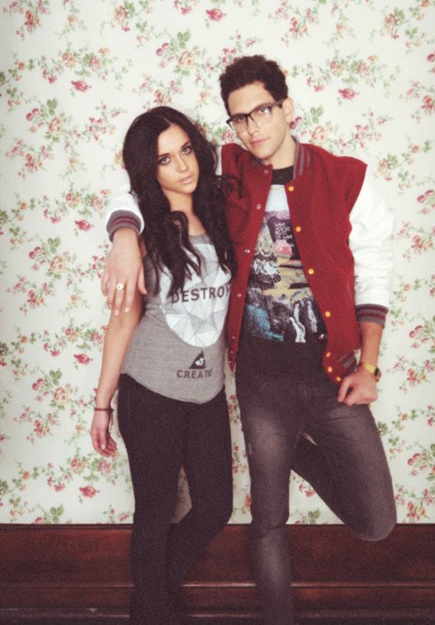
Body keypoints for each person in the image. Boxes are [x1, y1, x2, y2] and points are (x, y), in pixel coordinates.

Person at [101, 56, 397, 625]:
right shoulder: (226, 168)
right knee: (267, 522)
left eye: (262, 111)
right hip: (260, 382)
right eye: (239, 118)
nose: (252, 127)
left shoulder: (348, 177)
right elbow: (142, 176)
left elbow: (375, 275)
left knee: (376, 520)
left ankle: (295, 452)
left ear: (287, 107)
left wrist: (370, 364)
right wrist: (122, 234)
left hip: (332, 375)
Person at [90, 106, 236, 624]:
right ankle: (154, 609)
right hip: (150, 392)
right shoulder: (143, 233)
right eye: (165, 159)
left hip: (208, 392)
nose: (183, 166)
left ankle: (149, 594)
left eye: (187, 150)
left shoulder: (221, 213)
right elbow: (123, 323)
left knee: (215, 506)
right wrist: (102, 404)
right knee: (153, 513)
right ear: (148, 170)